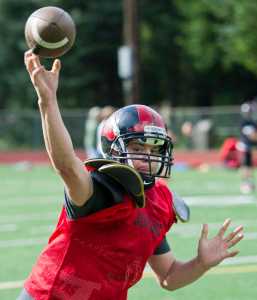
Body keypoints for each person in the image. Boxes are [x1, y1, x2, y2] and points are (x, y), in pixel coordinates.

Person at [19, 50, 244, 300]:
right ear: (113, 149)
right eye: (137, 148)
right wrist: (47, 101)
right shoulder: (99, 188)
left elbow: (169, 275)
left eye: (154, 149)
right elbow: (66, 165)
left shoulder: (160, 200)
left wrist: (201, 264)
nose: (147, 157)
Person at [238, 100, 257, 194]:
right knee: (245, 165)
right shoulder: (243, 123)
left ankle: (249, 182)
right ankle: (245, 183)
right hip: (244, 146)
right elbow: (252, 135)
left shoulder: (253, 122)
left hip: (250, 147)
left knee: (250, 165)